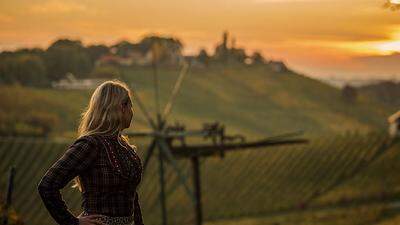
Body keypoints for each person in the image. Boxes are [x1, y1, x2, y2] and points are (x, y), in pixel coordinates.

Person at [37, 80, 144, 225]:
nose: (132, 111)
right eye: (130, 105)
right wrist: (72, 222)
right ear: (121, 107)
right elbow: (47, 185)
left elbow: (132, 196)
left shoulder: (124, 146)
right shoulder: (91, 144)